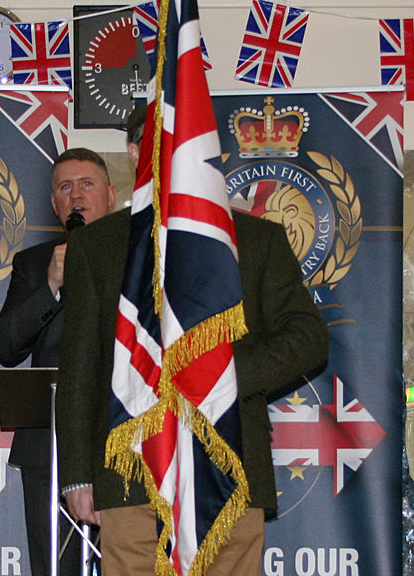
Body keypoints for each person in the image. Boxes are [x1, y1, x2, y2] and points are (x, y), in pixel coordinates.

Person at [56, 115, 328, 575]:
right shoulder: (97, 245)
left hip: (230, 472)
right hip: (129, 473)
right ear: (133, 152)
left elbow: (308, 340)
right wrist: (79, 473)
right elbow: (80, 366)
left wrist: (220, 376)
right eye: (155, 140)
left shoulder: (257, 240)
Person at [0, 147, 117, 576]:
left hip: (125, 442)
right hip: (50, 445)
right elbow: (5, 347)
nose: (76, 195)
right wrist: (51, 284)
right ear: (54, 202)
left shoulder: (140, 256)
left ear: (111, 195)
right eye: (65, 187)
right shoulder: (33, 264)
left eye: (87, 184)